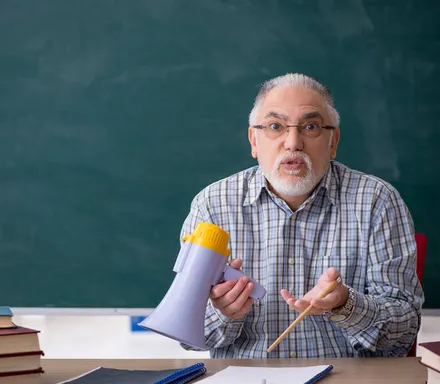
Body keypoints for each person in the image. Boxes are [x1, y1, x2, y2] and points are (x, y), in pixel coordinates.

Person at [179, 73, 424, 358]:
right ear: (254, 141)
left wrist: (346, 305)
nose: (293, 143)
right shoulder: (212, 205)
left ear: (333, 141)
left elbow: (405, 330)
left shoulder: (376, 201)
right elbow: (188, 336)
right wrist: (224, 313)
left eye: (311, 126)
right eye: (275, 126)